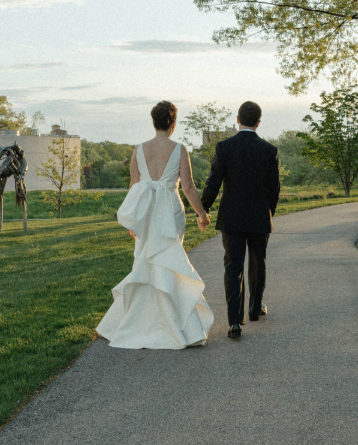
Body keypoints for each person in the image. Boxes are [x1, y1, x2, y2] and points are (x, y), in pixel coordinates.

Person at [96, 100, 214, 349]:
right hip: (170, 211)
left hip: (147, 211)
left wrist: (133, 218)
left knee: (146, 261)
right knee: (170, 261)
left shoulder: (139, 149)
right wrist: (202, 214)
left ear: (154, 122)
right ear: (172, 124)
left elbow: (134, 188)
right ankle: (176, 326)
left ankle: (142, 324)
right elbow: (189, 188)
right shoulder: (180, 149)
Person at [201, 101, 280, 339]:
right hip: (258, 216)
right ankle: (255, 309)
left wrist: (202, 209)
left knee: (232, 266)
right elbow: (274, 188)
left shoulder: (224, 147)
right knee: (258, 262)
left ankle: (235, 322)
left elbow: (213, 182)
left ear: (238, 119)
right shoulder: (269, 150)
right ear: (258, 122)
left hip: (231, 217)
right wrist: (270, 212)